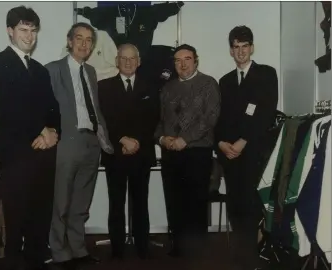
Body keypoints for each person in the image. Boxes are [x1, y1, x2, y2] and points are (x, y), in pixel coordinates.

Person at [0, 6, 60, 270]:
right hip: (17, 154)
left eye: (33, 31)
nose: (29, 36)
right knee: (16, 218)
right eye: (23, 30)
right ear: (10, 31)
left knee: (41, 215)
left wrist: (53, 131)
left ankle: (38, 260)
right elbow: (10, 105)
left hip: (44, 152)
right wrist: (41, 131)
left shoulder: (40, 69)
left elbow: (53, 107)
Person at [45, 22, 112, 270]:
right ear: (69, 41)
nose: (84, 44)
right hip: (67, 142)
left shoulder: (91, 72)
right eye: (79, 39)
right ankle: (59, 252)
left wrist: (102, 138)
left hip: (90, 142)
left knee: (81, 202)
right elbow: (45, 108)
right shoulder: (53, 70)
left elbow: (93, 108)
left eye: (88, 40)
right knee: (61, 201)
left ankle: (78, 248)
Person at [215, 25, 278, 270]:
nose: (240, 52)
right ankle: (240, 256)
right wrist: (221, 143)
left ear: (251, 47)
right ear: (231, 51)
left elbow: (266, 114)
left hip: (254, 153)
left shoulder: (266, 74)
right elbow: (220, 119)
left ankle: (252, 257)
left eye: (244, 46)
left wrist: (243, 142)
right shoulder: (225, 81)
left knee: (253, 206)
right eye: (235, 47)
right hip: (230, 155)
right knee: (235, 206)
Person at [154, 44, 220, 258]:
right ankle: (178, 245)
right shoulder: (167, 88)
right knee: (174, 201)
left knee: (196, 201)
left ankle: (197, 248)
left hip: (197, 153)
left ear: (196, 60)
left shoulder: (209, 84)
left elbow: (210, 118)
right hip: (171, 153)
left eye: (187, 59)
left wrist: (185, 139)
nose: (182, 64)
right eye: (177, 60)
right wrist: (162, 139)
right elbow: (159, 121)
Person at [98, 44, 160, 259]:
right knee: (116, 203)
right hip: (115, 154)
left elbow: (154, 120)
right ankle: (117, 250)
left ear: (139, 61)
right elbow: (104, 120)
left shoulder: (151, 87)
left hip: (141, 154)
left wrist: (136, 142)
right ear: (116, 61)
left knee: (140, 202)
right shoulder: (103, 87)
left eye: (132, 58)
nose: (127, 62)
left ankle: (142, 247)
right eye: (123, 58)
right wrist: (122, 140)